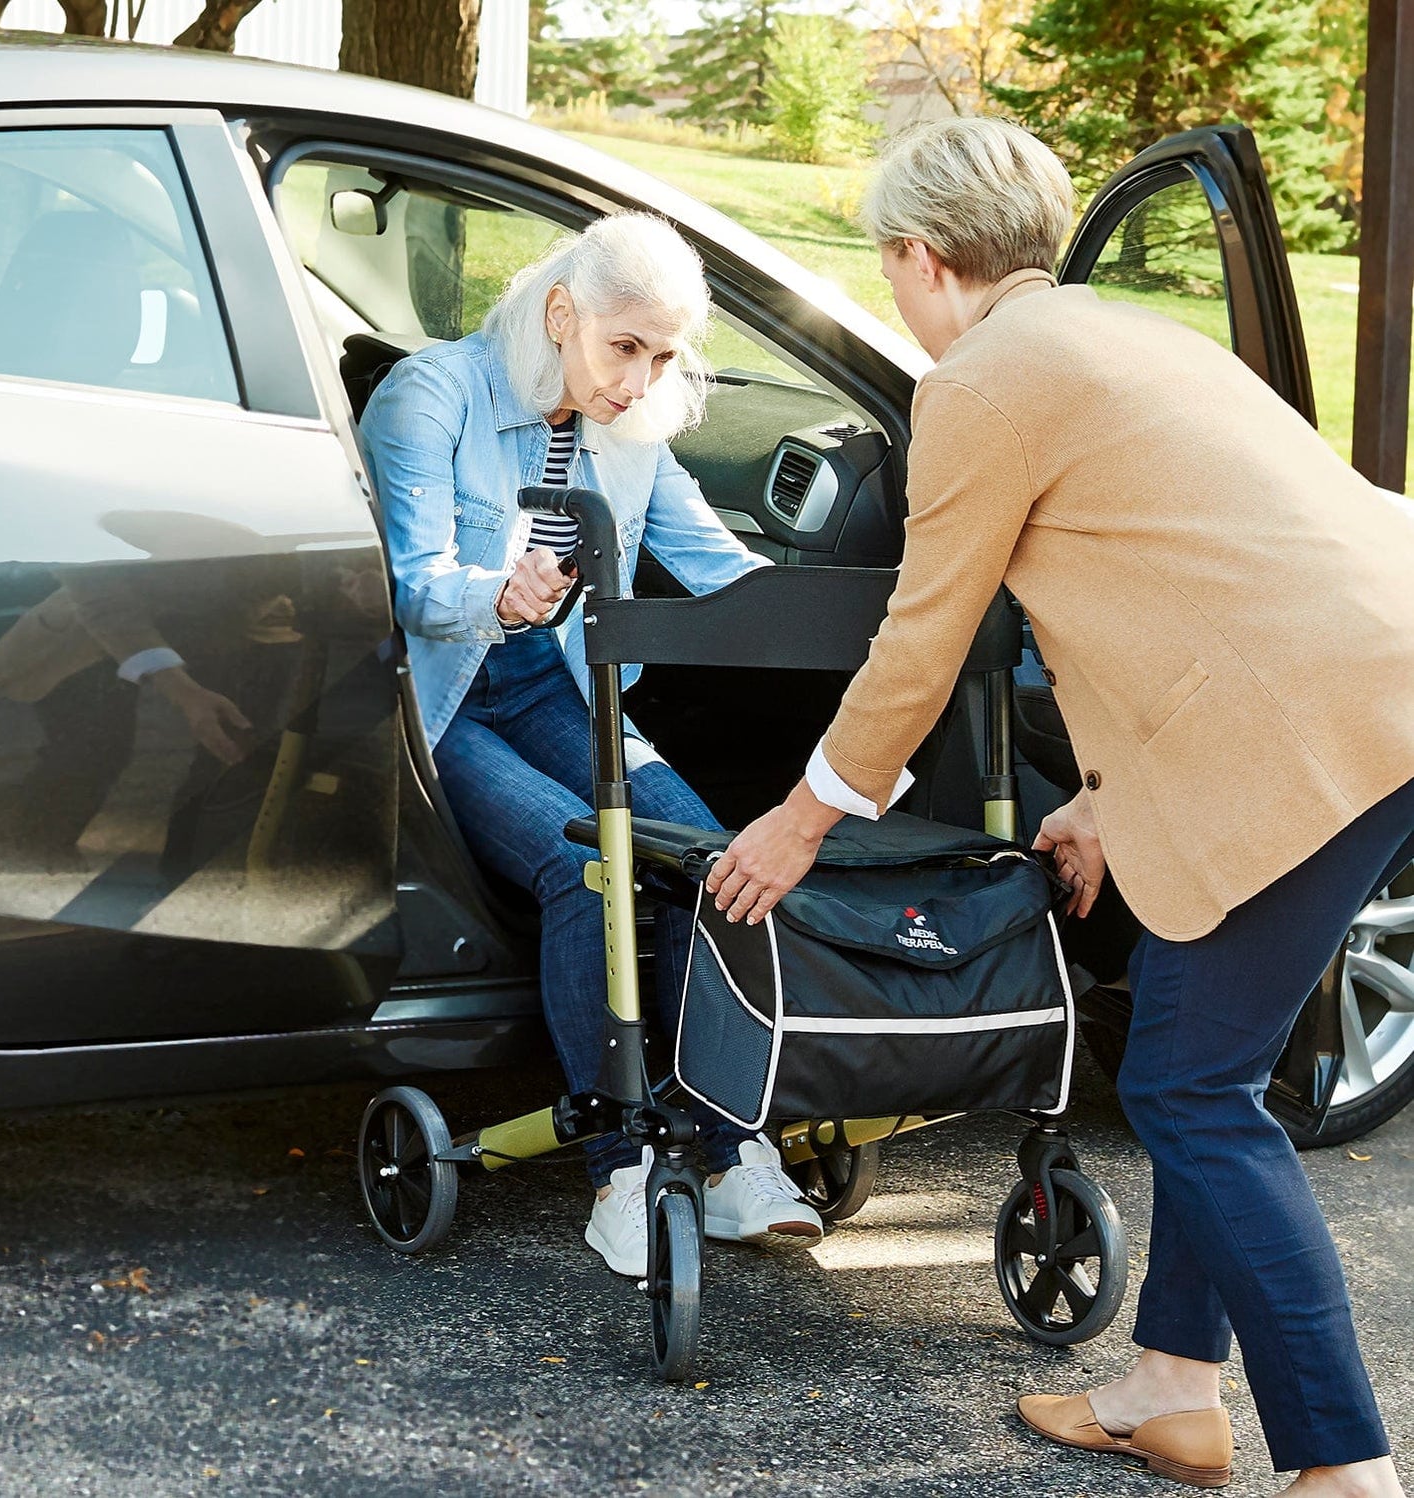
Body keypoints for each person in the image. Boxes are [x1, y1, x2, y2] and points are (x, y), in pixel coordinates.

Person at [703, 119, 1414, 1496]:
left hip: (1321, 714)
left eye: (885, 261)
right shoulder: (1119, 333)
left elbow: (921, 638)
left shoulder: (980, 381)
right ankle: (1170, 1389)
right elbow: (1166, 577)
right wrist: (1096, 796)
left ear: (916, 257)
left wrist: (803, 818)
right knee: (1201, 1064)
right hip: (1377, 669)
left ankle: (1343, 1469)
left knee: (1188, 1086)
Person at [360, 212, 824, 1279]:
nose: (640, 379)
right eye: (625, 348)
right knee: (586, 868)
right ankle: (619, 1170)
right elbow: (412, 582)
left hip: (553, 688)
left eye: (665, 356)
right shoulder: (436, 394)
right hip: (448, 698)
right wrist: (499, 590)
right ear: (563, 314)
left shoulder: (631, 428)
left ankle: (725, 1149)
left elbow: (724, 574)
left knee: (714, 857)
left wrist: (888, 629)